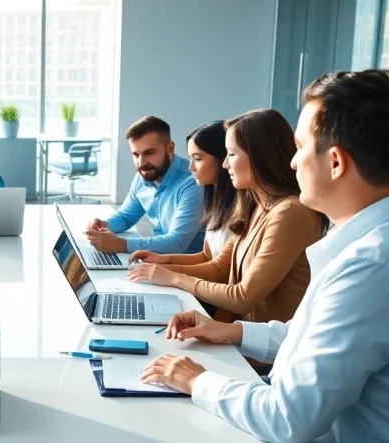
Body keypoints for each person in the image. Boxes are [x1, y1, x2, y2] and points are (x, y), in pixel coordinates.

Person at [139, 70, 389, 443]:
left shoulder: (376, 265)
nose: (292, 163)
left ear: (336, 162)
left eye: (300, 147)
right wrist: (234, 332)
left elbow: (286, 419)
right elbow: (311, 337)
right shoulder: (384, 239)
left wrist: (196, 381)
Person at [128, 109, 326, 326]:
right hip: (240, 332)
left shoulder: (289, 213)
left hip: (264, 343)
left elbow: (242, 298)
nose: (225, 165)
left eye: (231, 155)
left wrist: (174, 277)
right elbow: (221, 267)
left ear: (259, 156)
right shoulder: (256, 206)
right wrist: (162, 266)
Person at [86, 116, 204, 255]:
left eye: (149, 153)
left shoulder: (193, 182)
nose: (141, 163)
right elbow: (125, 217)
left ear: (170, 148)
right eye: (136, 155)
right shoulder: (143, 175)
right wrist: (104, 225)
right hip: (160, 259)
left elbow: (176, 243)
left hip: (188, 263)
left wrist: (121, 244)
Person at [128, 120, 236, 267]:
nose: (190, 167)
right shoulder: (215, 200)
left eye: (197, 158)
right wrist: (162, 261)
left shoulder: (194, 186)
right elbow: (207, 257)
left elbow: (221, 271)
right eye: (136, 154)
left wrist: (169, 271)